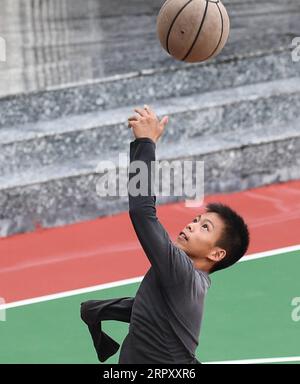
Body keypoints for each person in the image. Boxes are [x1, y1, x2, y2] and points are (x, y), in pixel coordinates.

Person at [80, 105, 250, 364]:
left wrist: (145, 143)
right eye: (196, 219)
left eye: (205, 227)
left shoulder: (181, 272)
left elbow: (142, 212)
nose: (192, 225)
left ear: (216, 253)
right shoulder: (185, 280)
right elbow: (155, 313)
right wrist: (103, 309)